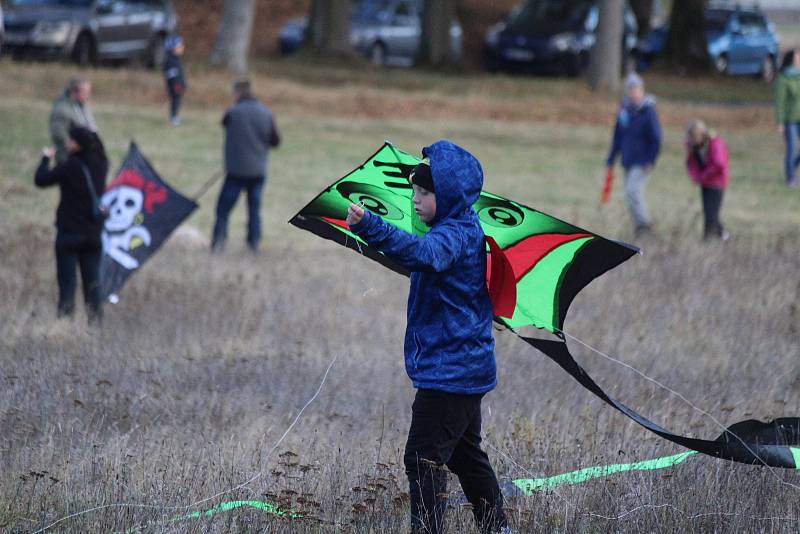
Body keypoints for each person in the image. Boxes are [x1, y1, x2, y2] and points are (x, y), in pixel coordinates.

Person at [346, 140, 509, 534]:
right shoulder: (458, 227)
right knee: (466, 456)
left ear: (448, 195)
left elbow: (424, 254)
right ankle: (497, 527)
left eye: (424, 192)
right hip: (464, 368)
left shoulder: (453, 235)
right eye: (413, 191)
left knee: (422, 459)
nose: (415, 199)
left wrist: (371, 225)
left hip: (451, 373)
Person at [35, 126, 109, 323]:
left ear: (78, 144)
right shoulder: (101, 164)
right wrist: (94, 133)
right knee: (93, 285)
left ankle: (64, 327)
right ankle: (95, 327)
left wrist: (45, 159)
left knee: (67, 285)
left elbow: (41, 180)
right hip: (93, 235)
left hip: (69, 235)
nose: (67, 143)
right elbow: (100, 149)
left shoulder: (70, 166)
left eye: (71, 140)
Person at [211, 79, 280, 253]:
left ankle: (218, 242)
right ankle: (254, 243)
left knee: (223, 209)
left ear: (238, 93)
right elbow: (275, 141)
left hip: (236, 171)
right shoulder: (266, 113)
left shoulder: (232, 112)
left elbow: (224, 123)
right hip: (257, 172)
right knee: (254, 210)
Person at [605, 73, 662, 236]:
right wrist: (611, 158)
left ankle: (646, 226)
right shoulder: (624, 111)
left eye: (636, 90)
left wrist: (651, 159)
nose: (633, 93)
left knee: (633, 191)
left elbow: (656, 139)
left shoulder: (648, 112)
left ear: (642, 91)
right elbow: (617, 136)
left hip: (643, 161)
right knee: (629, 196)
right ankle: (638, 227)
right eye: (630, 90)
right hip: (627, 160)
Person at [685, 120, 730, 241]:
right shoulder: (694, 146)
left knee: (711, 214)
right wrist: (696, 176)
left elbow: (718, 164)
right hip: (705, 183)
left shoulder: (715, 143)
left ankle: (713, 238)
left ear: (700, 135)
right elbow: (691, 162)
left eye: (693, 138)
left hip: (716, 183)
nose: (692, 141)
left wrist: (702, 176)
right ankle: (718, 237)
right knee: (709, 212)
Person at [49, 77, 97, 164]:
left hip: (81, 157)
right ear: (74, 92)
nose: (88, 95)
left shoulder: (81, 107)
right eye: (86, 92)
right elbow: (59, 134)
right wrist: (73, 146)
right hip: (67, 158)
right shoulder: (62, 109)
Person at [775, 48, 800, 188]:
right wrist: (780, 121)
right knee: (791, 148)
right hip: (790, 119)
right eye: (797, 57)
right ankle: (790, 178)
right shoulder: (784, 78)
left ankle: (792, 169)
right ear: (791, 60)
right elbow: (780, 101)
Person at [163, 35, 187, 126]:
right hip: (175, 86)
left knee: (178, 101)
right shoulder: (171, 61)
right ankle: (173, 117)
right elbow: (172, 75)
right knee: (175, 101)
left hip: (178, 85)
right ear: (172, 49)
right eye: (179, 47)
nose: (182, 48)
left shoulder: (176, 60)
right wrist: (176, 85)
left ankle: (175, 115)